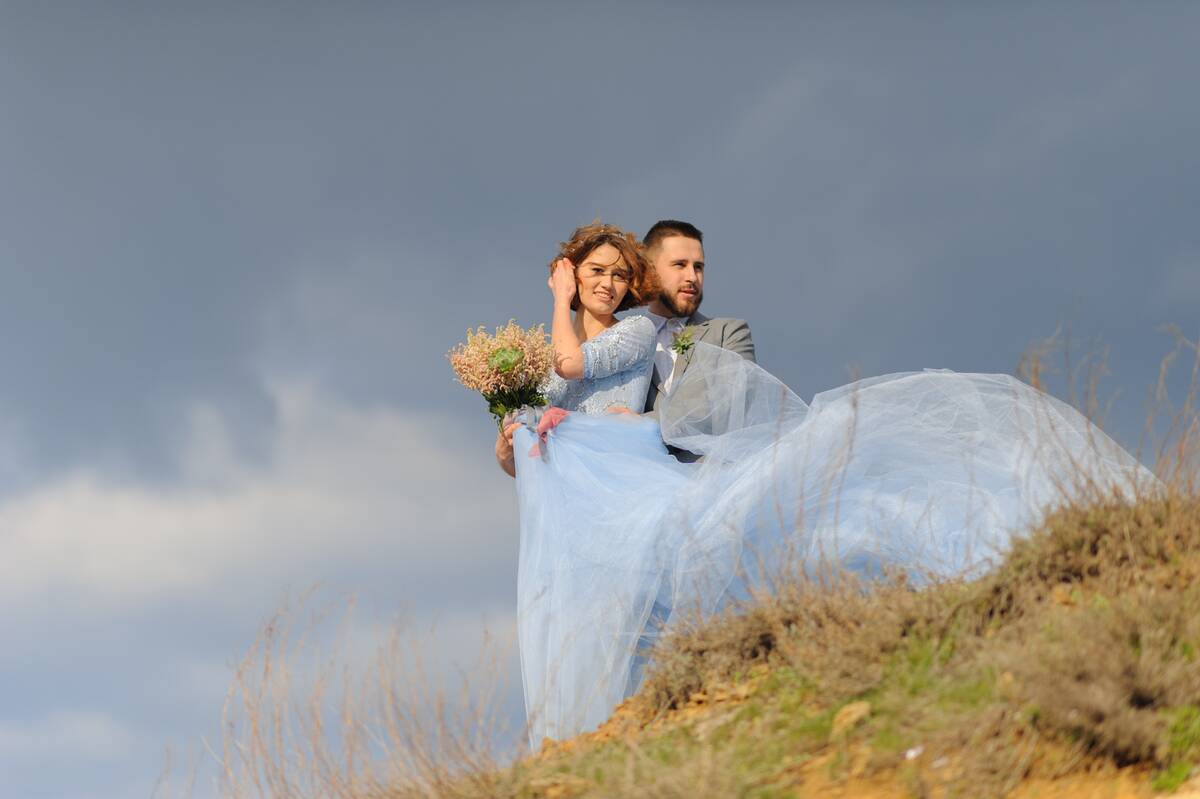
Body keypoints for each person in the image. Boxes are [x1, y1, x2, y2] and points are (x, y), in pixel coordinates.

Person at [492, 222, 1156, 750]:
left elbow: (726, 404)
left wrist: (631, 424)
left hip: (692, 479)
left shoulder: (719, 335)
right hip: (612, 501)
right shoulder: (605, 330)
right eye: (679, 265)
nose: (692, 276)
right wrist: (520, 436)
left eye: (700, 266)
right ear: (650, 270)